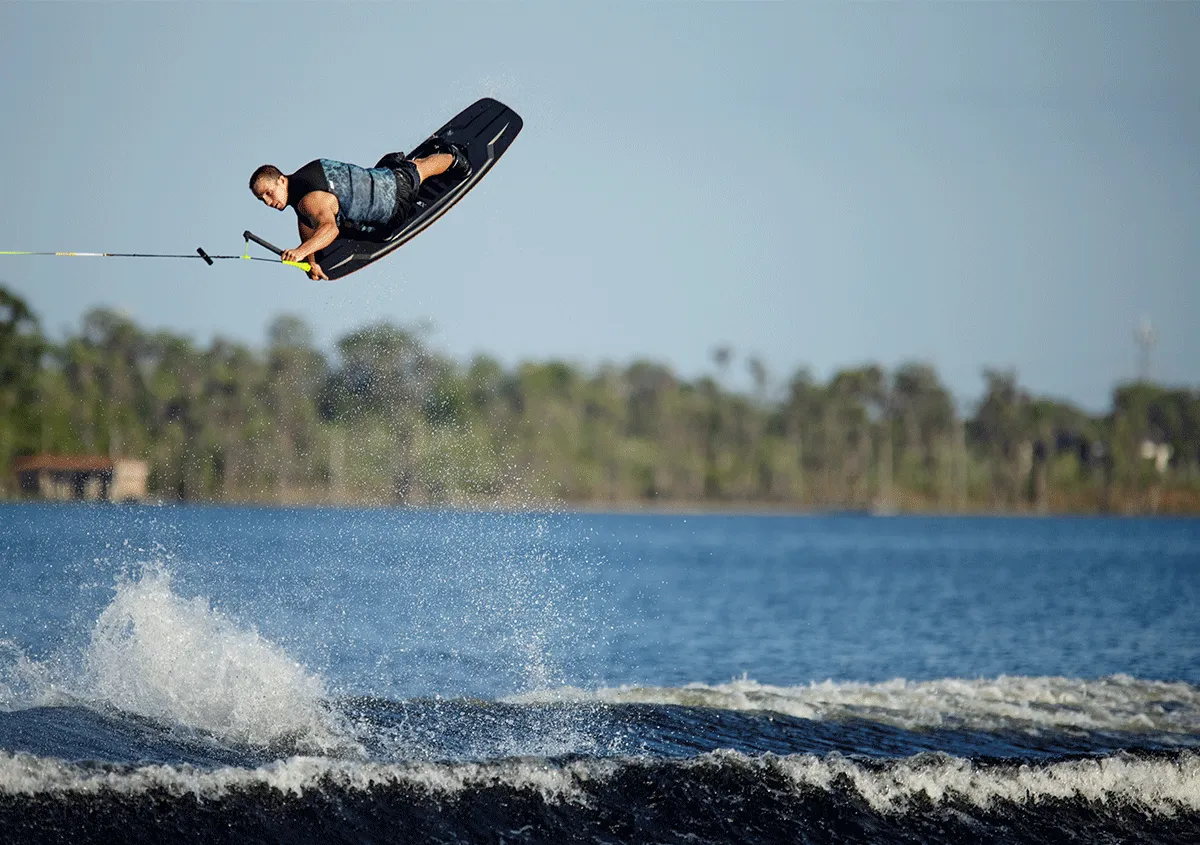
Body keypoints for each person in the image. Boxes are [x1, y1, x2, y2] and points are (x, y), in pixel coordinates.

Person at [249, 146, 468, 280]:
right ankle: (407, 165)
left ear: (280, 180)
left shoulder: (309, 201)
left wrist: (300, 251)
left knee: (418, 169)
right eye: (262, 199)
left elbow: (328, 228)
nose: (268, 202)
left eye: (268, 193)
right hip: (381, 176)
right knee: (401, 167)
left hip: (393, 205)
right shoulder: (305, 178)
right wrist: (311, 260)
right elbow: (307, 221)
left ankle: (454, 159)